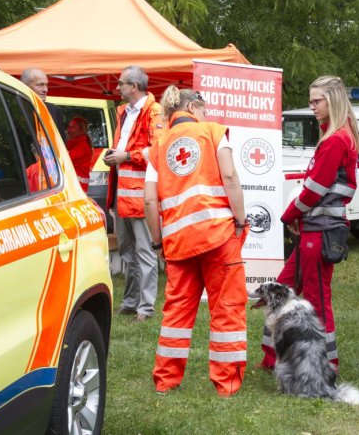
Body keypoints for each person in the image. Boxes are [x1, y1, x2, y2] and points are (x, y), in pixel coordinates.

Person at [144, 86, 248, 397]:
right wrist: (241, 221)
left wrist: (156, 242)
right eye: (203, 109)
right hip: (218, 236)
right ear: (193, 107)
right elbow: (229, 177)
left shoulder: (158, 147)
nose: (206, 115)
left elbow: (150, 202)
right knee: (227, 307)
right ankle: (226, 383)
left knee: (176, 313)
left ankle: (165, 381)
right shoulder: (213, 132)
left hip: (177, 243)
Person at [259, 75, 359, 374]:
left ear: (333, 101)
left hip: (320, 232)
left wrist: (290, 215)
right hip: (314, 229)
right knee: (280, 288)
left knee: (317, 299)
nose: (311, 106)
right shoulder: (337, 136)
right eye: (311, 100)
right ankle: (272, 355)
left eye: (317, 101)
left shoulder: (337, 140)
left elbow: (315, 189)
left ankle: (325, 363)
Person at [105, 65, 165, 322]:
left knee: (144, 253)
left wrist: (125, 156)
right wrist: (114, 154)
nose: (117, 88)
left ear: (134, 86)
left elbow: (157, 150)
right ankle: (130, 303)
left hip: (141, 196)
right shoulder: (124, 113)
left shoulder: (155, 112)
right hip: (123, 195)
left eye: (120, 83)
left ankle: (146, 307)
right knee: (128, 253)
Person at [20, 67, 67, 141]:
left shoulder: (54, 111)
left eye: (46, 85)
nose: (46, 89)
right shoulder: (15, 108)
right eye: (40, 85)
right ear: (25, 86)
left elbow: (61, 145)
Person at [66, 116, 93, 192]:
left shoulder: (82, 147)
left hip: (77, 190)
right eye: (68, 127)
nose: (68, 130)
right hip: (75, 188)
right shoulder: (74, 145)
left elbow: (63, 160)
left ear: (81, 130)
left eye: (72, 127)